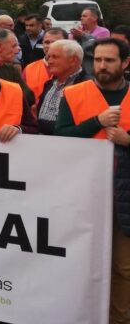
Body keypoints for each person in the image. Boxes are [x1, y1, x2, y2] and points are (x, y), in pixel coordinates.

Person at [54, 38, 130, 323]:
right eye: (97, 60)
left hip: (123, 193)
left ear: (125, 63)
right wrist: (96, 122)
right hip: (84, 194)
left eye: (109, 60)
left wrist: (127, 140)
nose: (101, 66)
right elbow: (60, 138)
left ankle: (118, 318)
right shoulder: (74, 95)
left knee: (123, 267)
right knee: (82, 262)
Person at [36, 39, 88, 135]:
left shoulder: (88, 86)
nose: (49, 61)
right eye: (48, 57)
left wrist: (38, 124)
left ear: (73, 60)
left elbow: (83, 126)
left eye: (55, 57)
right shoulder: (49, 84)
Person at [22, 27, 67, 104]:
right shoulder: (29, 69)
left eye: (54, 42)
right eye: (46, 42)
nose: (49, 46)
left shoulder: (72, 68)